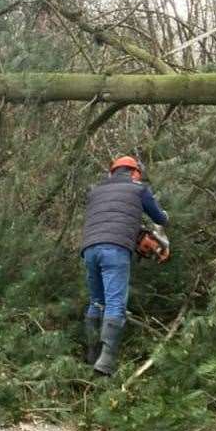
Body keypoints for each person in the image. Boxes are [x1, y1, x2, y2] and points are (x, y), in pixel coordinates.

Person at [81, 156, 169, 376]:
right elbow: (160, 217)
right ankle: (106, 363)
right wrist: (163, 221)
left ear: (112, 172)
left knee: (96, 302)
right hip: (115, 249)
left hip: (90, 248)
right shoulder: (138, 189)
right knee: (115, 304)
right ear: (135, 172)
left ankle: (92, 356)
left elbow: (112, 216)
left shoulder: (95, 192)